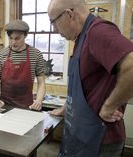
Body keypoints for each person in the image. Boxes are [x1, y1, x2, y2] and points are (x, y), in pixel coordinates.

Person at [47, 0, 133, 156]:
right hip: (80, 135)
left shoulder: (98, 32)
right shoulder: (81, 38)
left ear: (69, 15)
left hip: (99, 140)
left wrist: (110, 105)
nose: (55, 30)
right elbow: (85, 85)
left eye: (54, 23)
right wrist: (66, 108)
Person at [0, 19, 46, 112]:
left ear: (25, 35)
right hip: (4, 106)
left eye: (17, 38)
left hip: (27, 107)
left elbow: (41, 82)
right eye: (11, 38)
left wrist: (39, 101)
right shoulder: (0, 55)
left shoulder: (36, 54)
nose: (13, 42)